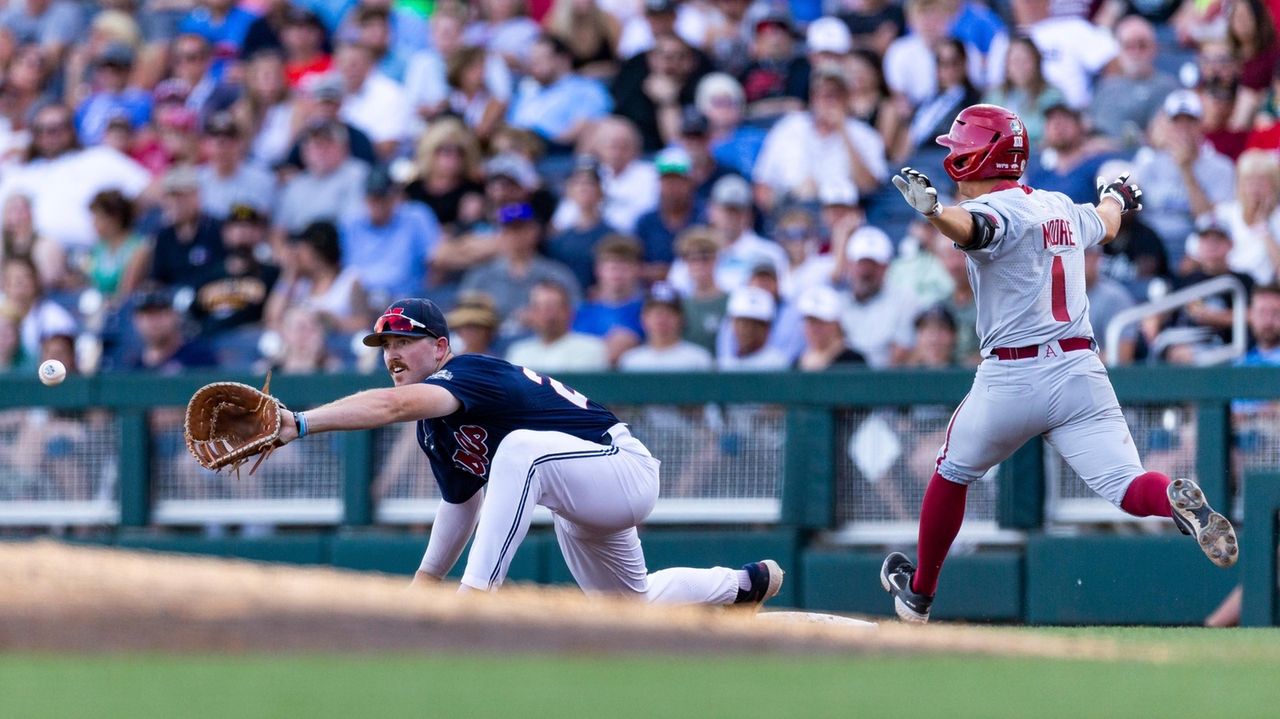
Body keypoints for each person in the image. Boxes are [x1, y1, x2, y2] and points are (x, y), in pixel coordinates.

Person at [880, 103, 1238, 624]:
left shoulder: (997, 210)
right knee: (1128, 486)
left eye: (958, 147)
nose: (952, 155)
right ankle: (1174, 501)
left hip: (1011, 375)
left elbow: (974, 231)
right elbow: (1108, 223)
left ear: (978, 155)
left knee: (951, 473)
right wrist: (1115, 197)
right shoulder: (1059, 205)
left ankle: (920, 592)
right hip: (1079, 372)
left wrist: (935, 214)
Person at [272, 297, 783, 603]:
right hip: (577, 497)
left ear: (442, 348)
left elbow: (388, 407)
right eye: (386, 346)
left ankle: (476, 598)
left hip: (619, 466)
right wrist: (424, 585)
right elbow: (460, 507)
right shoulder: (433, 428)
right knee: (631, 605)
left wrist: (300, 421)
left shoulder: (469, 371)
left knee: (518, 449)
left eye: (406, 340)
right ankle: (743, 583)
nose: (393, 354)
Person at [505, 279, 607, 373]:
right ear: (531, 312)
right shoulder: (518, 353)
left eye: (554, 307)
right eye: (540, 308)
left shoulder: (591, 348)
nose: (548, 315)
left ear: (568, 311)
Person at [618, 282, 714, 371]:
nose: (662, 319)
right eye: (656, 313)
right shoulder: (631, 361)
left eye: (669, 313)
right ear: (644, 319)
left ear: (681, 319)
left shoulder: (699, 359)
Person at [794, 284, 865, 370]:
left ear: (836, 324)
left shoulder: (854, 361)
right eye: (810, 322)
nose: (814, 328)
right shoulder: (797, 363)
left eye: (821, 322)